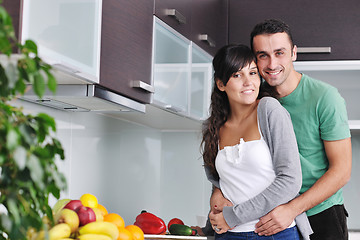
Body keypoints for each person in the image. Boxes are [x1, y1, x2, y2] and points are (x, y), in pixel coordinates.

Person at [211, 19, 352, 240]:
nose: (271, 63)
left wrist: (292, 209)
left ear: (294, 53)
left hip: (320, 212)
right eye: (263, 55)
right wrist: (219, 191)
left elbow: (341, 171)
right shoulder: (252, 94)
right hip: (269, 214)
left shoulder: (325, 98)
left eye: (280, 53)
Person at [202, 44, 312, 240]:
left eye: (252, 73)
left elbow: (290, 180)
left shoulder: (269, 110)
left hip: (275, 233)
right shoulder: (213, 126)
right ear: (221, 84)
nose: (248, 82)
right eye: (237, 75)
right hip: (229, 235)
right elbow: (221, 178)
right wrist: (217, 192)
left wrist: (233, 216)